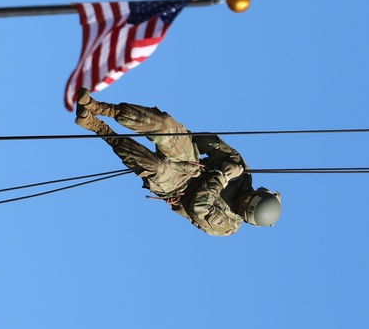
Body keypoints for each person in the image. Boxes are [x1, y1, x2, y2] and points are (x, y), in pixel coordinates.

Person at [74, 88, 281, 236]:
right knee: (166, 127)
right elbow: (213, 144)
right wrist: (184, 139)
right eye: (249, 197)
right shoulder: (243, 176)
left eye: (244, 205)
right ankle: (102, 108)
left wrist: (221, 177)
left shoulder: (226, 226)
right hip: (192, 162)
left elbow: (199, 207)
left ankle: (99, 128)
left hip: (177, 188)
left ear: (244, 216)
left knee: (157, 167)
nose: (243, 199)